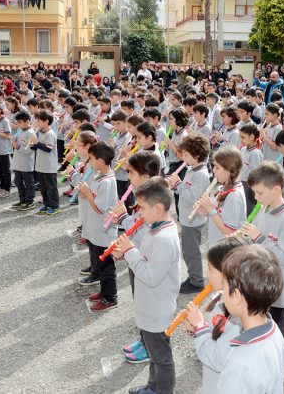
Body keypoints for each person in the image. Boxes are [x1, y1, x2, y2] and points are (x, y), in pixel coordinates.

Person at [112, 176, 181, 394]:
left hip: (157, 308)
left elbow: (151, 276)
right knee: (155, 353)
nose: (139, 212)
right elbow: (146, 259)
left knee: (161, 358)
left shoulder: (163, 237)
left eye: (141, 208)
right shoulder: (156, 227)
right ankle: (153, 386)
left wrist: (130, 252)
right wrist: (128, 253)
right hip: (151, 304)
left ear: (158, 207)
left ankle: (162, 390)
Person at [215, 245, 284, 393]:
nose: (222, 292)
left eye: (224, 286)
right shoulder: (273, 329)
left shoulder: (240, 362)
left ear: (236, 296)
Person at [241, 161, 284, 337]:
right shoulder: (263, 209)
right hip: (256, 284)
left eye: (260, 193)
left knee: (275, 338)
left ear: (276, 189)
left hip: (275, 293)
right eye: (254, 193)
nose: (256, 198)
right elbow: (254, 243)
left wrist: (259, 238)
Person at [182, 238, 244, 393]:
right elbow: (214, 336)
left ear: (226, 273)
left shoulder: (237, 317)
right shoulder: (223, 299)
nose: (206, 274)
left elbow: (217, 359)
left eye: (210, 269)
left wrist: (200, 326)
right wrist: (196, 329)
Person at [77, 142, 120, 312]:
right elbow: (91, 197)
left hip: (104, 231)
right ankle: (103, 291)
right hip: (95, 229)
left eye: (92, 159)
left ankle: (111, 297)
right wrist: (84, 192)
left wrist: (87, 194)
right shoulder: (98, 175)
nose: (90, 162)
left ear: (102, 161)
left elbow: (99, 208)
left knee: (107, 266)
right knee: (98, 263)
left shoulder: (108, 181)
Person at [168, 133, 211, 294]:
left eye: (186, 154)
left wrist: (177, 184)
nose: (183, 157)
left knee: (192, 252)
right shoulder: (193, 168)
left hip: (193, 220)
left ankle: (197, 281)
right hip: (187, 218)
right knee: (188, 251)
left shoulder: (200, 174)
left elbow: (193, 198)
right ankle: (193, 276)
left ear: (197, 156)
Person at [193, 145, 247, 244]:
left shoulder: (234, 195)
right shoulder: (223, 188)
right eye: (213, 166)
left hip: (226, 250)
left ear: (229, 169)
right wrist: (202, 210)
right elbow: (218, 214)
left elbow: (229, 232)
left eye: (217, 167)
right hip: (217, 243)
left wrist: (211, 209)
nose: (213, 170)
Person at [31, 110, 60, 215]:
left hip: (49, 165)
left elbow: (48, 148)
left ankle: (55, 205)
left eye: (38, 121)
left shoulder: (50, 133)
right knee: (43, 187)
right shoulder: (39, 132)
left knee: (51, 187)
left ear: (46, 121)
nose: (37, 123)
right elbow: (37, 147)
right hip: (40, 164)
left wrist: (37, 143)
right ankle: (47, 204)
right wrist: (32, 145)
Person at [11, 111, 37, 210]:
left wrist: (17, 147)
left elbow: (29, 150)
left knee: (29, 183)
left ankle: (30, 201)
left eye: (20, 122)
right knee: (18, 182)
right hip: (18, 162)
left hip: (26, 163)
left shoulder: (31, 133)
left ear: (27, 122)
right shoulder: (20, 130)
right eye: (17, 122)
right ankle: (22, 200)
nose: (18, 124)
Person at [239, 123, 263, 215]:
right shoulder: (243, 149)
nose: (241, 140)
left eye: (243, 137)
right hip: (241, 182)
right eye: (240, 137)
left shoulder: (256, 153)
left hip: (250, 186)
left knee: (249, 209)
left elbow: (255, 174)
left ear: (252, 137)